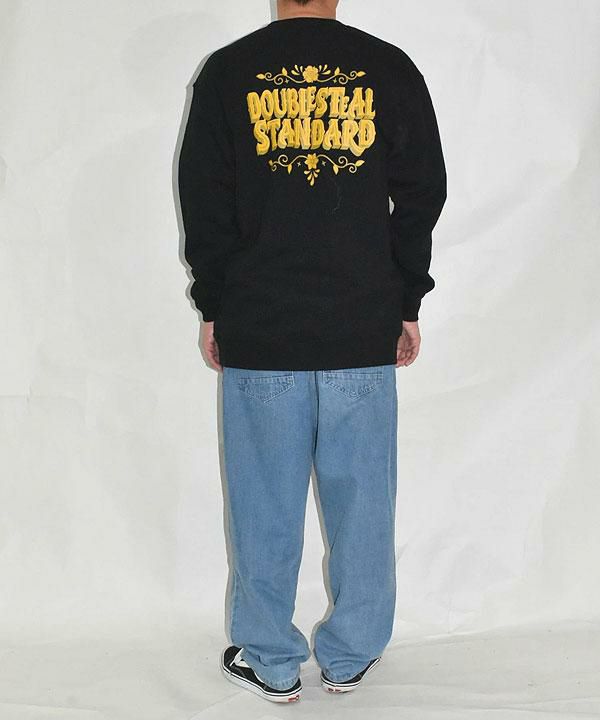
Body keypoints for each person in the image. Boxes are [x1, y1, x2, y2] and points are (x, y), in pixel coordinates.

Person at [177, 0, 447, 704]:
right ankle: (351, 655)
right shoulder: (387, 67)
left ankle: (270, 660)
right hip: (361, 323)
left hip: (261, 326)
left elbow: (204, 201)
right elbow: (422, 193)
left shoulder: (230, 71)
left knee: (263, 504)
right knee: (363, 503)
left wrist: (215, 305)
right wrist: (405, 301)